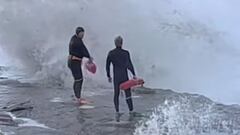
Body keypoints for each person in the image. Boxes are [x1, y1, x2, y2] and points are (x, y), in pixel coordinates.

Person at [106, 36, 137, 117]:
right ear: (122, 43)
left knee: (116, 94)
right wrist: (133, 74)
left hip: (117, 77)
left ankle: (117, 111)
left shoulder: (111, 53)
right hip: (124, 76)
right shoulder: (126, 53)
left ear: (115, 43)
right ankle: (131, 110)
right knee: (128, 94)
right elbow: (129, 64)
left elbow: (107, 65)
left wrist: (108, 75)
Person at [68, 27, 93, 105]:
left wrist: (88, 56)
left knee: (78, 79)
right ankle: (78, 98)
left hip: (74, 61)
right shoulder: (76, 41)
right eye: (81, 34)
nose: (83, 35)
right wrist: (89, 57)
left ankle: (77, 96)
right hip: (74, 61)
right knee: (79, 79)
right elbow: (82, 50)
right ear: (78, 33)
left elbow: (83, 48)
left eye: (83, 34)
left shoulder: (75, 38)